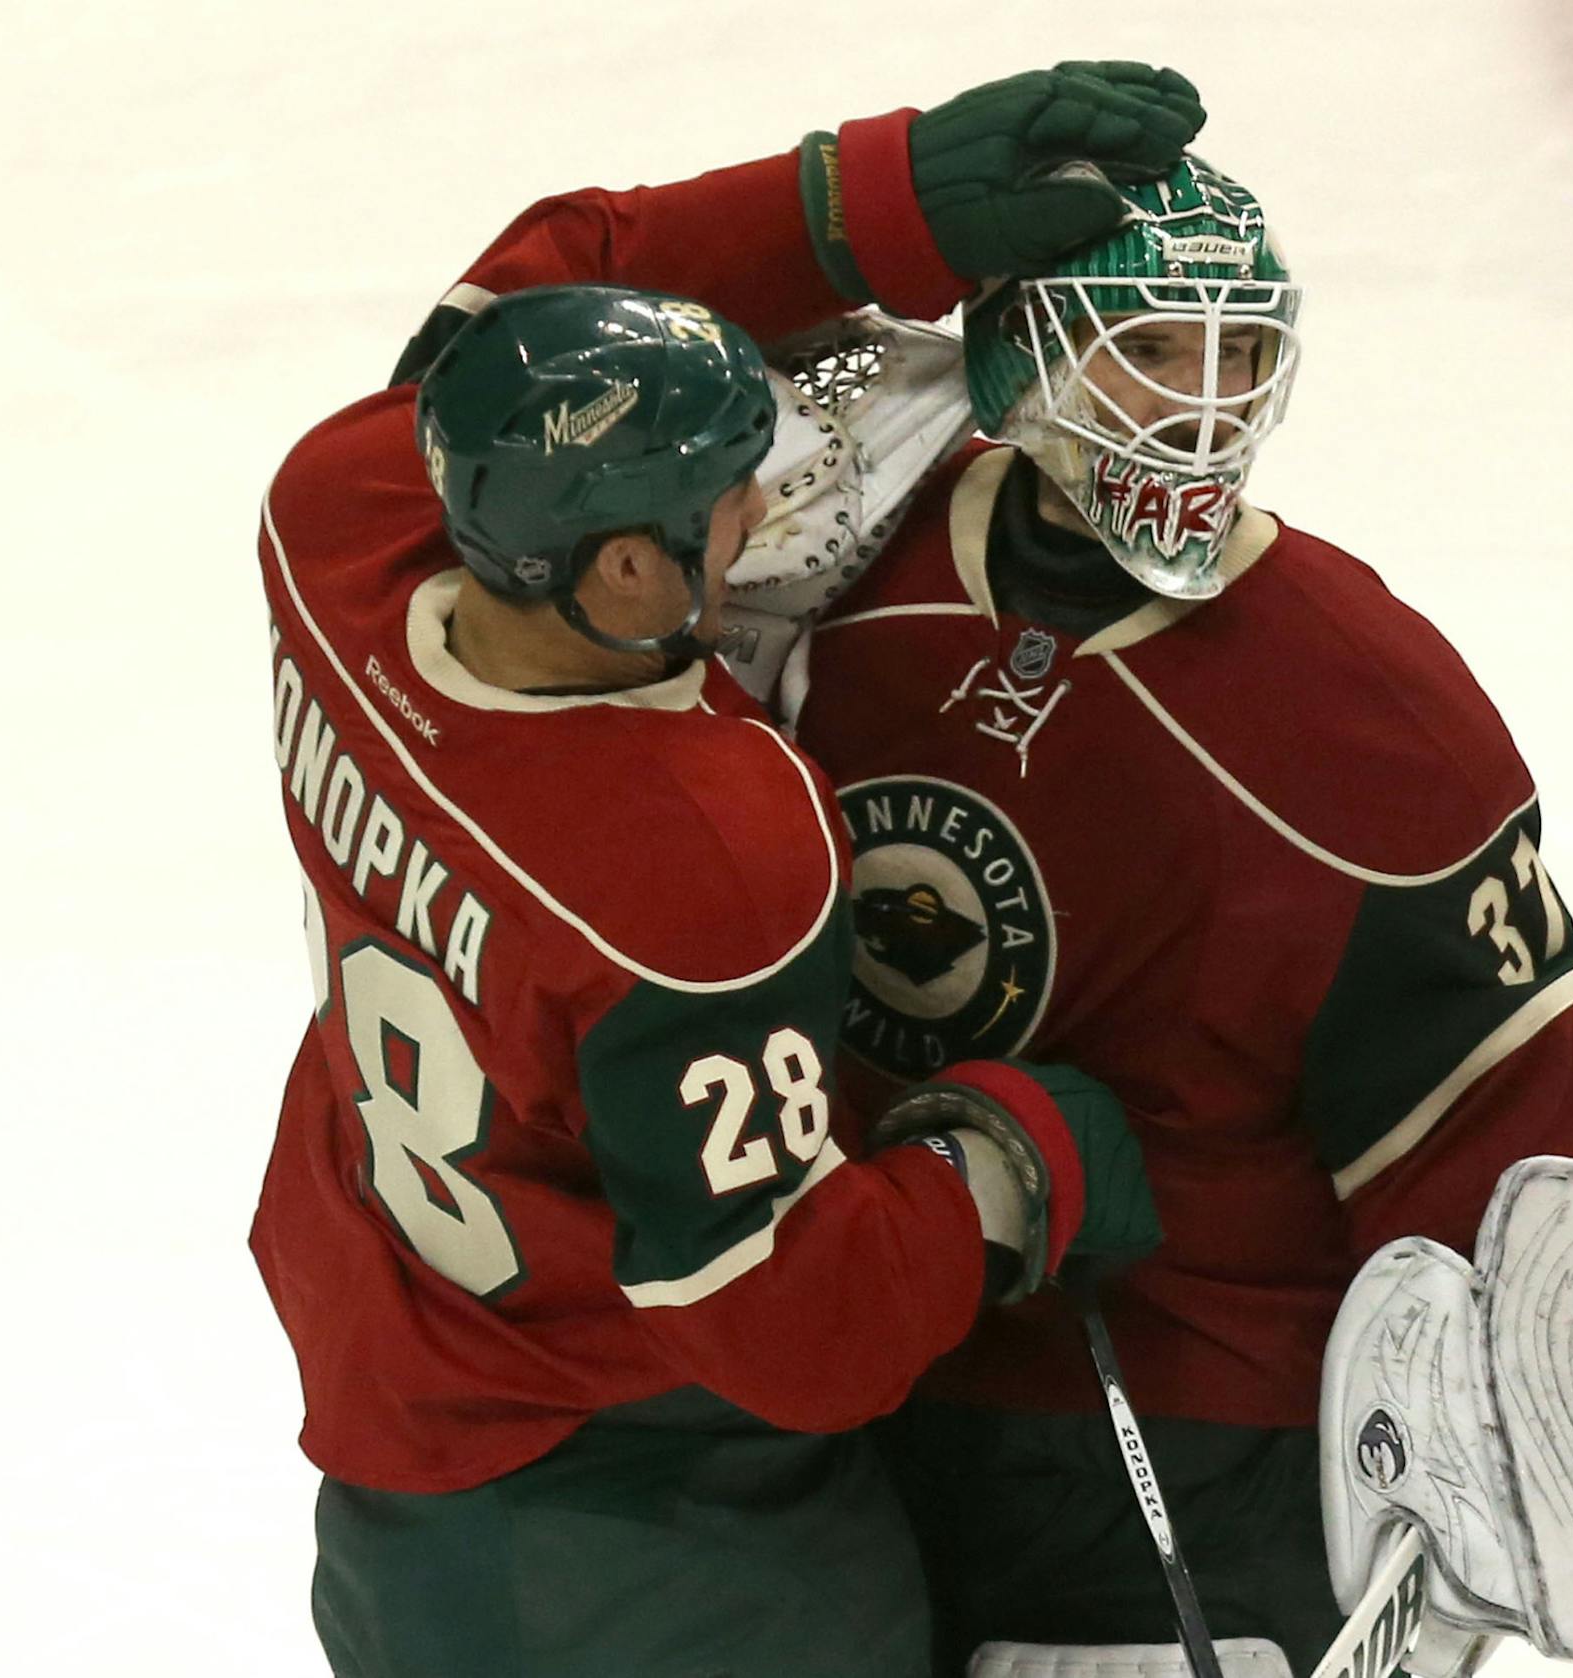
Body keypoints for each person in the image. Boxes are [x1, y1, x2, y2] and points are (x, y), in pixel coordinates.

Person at [386, 77, 1573, 1677]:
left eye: (1237, 351)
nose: (1200, 411)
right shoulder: (832, 562)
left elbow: (1516, 1130)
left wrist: (1500, 1462)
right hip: (874, 1393)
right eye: (1148, 352)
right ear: (1023, 354)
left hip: (1199, 1458)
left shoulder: (1366, 714)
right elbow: (522, 404)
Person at [249, 277, 1168, 1678]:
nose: (767, 510)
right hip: (659, 1552)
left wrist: (872, 193)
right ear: (622, 571)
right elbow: (799, 1327)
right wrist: (1001, 1170)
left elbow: (548, 268)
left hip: (398, 1476)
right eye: (731, 495)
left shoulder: (334, 532)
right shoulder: (703, 861)